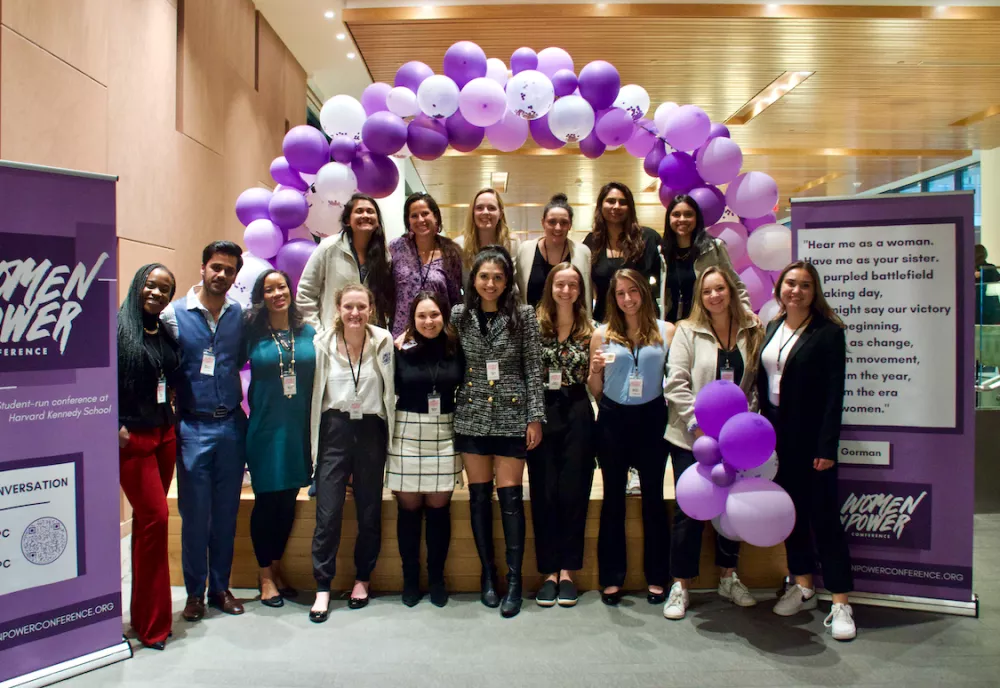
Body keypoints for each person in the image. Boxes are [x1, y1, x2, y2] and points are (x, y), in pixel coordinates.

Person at [758, 261, 856, 641]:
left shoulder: (828, 333)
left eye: (804, 286)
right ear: (779, 288)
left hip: (813, 440)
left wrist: (826, 446)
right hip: (778, 437)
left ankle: (841, 602)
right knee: (791, 516)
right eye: (789, 284)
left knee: (825, 520)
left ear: (814, 293)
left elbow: (835, 394)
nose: (795, 291)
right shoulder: (772, 328)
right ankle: (803, 586)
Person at [662, 266, 765, 620]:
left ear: (731, 291)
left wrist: (742, 428)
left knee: (730, 510)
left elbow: (753, 385)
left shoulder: (752, 330)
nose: (714, 296)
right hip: (691, 439)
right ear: (699, 297)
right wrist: (697, 428)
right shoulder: (688, 331)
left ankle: (728, 575)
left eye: (720, 289)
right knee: (690, 510)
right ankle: (681, 584)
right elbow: (675, 383)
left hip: (735, 441)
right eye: (707, 291)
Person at [453, 245, 546, 618]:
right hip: (472, 414)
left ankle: (514, 582)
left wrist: (534, 417)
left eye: (498, 277)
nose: (490, 283)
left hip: (511, 415)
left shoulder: (523, 315)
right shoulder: (460, 315)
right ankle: (487, 576)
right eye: (484, 276)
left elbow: (534, 370)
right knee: (478, 499)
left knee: (509, 502)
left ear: (508, 281)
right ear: (474, 280)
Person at [160, 241, 247, 621]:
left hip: (231, 425)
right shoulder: (173, 315)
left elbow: (238, 358)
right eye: (216, 267)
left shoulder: (238, 314)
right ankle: (194, 594)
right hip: (193, 426)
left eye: (229, 270)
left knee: (227, 513)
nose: (222, 275)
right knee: (195, 515)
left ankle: (220, 588)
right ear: (202, 268)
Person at [307, 284, 395, 623]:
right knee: (327, 513)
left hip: (371, 429)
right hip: (335, 429)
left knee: (369, 510)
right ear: (338, 308)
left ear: (370, 308)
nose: (355, 313)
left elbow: (391, 386)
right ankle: (323, 587)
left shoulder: (384, 342)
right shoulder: (322, 344)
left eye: (361, 306)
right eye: (348, 307)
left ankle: (362, 579)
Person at [588, 268, 675, 606]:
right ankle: (612, 577)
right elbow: (596, 389)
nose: (627, 298)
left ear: (643, 292)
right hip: (613, 418)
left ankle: (657, 576)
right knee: (613, 499)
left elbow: (675, 378)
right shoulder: (603, 334)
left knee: (653, 499)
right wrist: (595, 370)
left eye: (633, 291)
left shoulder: (665, 332)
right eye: (621, 293)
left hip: (653, 417)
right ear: (613, 298)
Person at [244, 270, 316, 608]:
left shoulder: (308, 333)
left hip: (298, 431)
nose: (277, 294)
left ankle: (276, 565)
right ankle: (265, 575)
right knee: (267, 503)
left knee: (288, 502)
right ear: (262, 296)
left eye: (281, 287)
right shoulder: (251, 334)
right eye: (269, 289)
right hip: (265, 430)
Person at [117, 263, 181, 650]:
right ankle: (153, 623)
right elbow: (96, 382)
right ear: (138, 284)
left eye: (166, 289)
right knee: (155, 520)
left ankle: (148, 617)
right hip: (132, 439)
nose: (157, 294)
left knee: (149, 525)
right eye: (151, 286)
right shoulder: (116, 330)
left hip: (165, 433)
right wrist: (111, 424)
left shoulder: (164, 332)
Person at [388, 291, 465, 608]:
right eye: (422, 316)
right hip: (407, 431)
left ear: (443, 316)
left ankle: (436, 578)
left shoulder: (455, 347)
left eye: (434, 315)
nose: (428, 321)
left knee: (438, 511)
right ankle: (409, 579)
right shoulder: (398, 349)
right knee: (408, 511)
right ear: (412, 319)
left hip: (444, 431)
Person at [528, 263, 596, 608]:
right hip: (541, 412)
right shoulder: (533, 326)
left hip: (578, 410)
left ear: (580, 290)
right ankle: (548, 571)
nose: (566, 290)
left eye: (572, 285)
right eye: (560, 284)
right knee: (544, 491)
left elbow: (595, 381)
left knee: (573, 491)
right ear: (550, 287)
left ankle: (568, 570)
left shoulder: (592, 330)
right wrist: (530, 418)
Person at [297, 193, 395, 330]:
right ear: (348, 220)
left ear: (377, 221)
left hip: (370, 340)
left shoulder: (384, 256)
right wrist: (317, 333)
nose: (365, 215)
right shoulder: (329, 248)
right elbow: (305, 294)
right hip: (333, 340)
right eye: (359, 211)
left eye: (370, 211)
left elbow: (385, 300)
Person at [660, 194, 750, 324]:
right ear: (669, 219)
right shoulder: (663, 252)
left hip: (707, 324)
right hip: (672, 326)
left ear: (697, 218)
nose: (682, 219)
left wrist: (746, 312)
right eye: (676, 214)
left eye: (688, 214)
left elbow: (735, 284)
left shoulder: (713, 248)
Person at [584, 182, 663, 322]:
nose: (616, 206)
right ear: (600, 206)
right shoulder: (592, 242)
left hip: (645, 320)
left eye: (622, 202)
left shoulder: (648, 238)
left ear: (630, 207)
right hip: (605, 321)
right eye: (610, 201)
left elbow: (664, 279)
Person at [390, 192, 463, 338]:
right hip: (403, 334)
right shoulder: (397, 247)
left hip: (439, 333)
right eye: (414, 215)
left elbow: (455, 299)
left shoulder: (450, 252)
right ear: (408, 221)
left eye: (425, 213)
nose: (420, 219)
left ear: (435, 217)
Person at [515, 193, 593, 310]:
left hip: (572, 326)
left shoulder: (582, 253)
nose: (558, 227)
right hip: (533, 326)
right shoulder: (525, 251)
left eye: (564, 222)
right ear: (543, 223)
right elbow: (519, 294)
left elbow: (586, 295)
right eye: (552, 222)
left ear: (570, 225)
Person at [456, 187, 520, 285]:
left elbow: (516, 283)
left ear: (501, 214)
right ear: (473, 213)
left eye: (491, 208)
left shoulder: (513, 243)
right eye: (479, 208)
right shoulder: (459, 246)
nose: (485, 212)